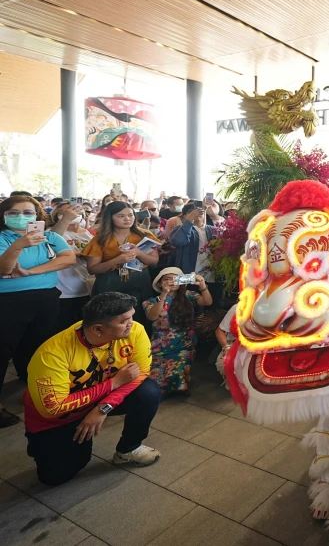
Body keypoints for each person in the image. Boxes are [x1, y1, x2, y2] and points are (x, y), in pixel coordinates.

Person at [23, 292, 161, 486]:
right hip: (58, 416)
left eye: (131, 316)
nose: (132, 323)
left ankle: (129, 448)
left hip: (97, 401)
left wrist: (102, 408)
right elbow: (52, 408)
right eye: (124, 320)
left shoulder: (134, 331)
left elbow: (140, 373)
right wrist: (112, 384)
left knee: (148, 391)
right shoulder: (52, 354)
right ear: (97, 329)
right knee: (55, 476)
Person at [0, 196, 76, 427]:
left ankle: (31, 382)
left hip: (45, 298)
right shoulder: (4, 238)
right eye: (14, 212)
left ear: (37, 215)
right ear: (4, 215)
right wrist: (18, 245)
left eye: (28, 212)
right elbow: (4, 269)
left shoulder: (50, 237)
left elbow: (68, 258)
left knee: (37, 345)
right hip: (8, 300)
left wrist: (31, 272)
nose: (21, 216)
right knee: (2, 349)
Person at [84, 201, 160, 327]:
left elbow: (154, 261)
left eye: (130, 215)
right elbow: (92, 269)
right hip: (110, 281)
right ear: (110, 217)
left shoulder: (144, 235)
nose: (127, 219)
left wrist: (138, 253)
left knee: (139, 317)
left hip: (139, 279)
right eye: (121, 216)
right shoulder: (101, 238)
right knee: (109, 319)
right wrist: (116, 260)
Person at [144, 268, 212, 396]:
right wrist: (164, 294)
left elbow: (207, 302)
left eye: (175, 278)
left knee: (175, 372)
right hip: (159, 345)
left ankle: (173, 389)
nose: (171, 281)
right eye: (167, 279)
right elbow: (152, 316)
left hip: (184, 344)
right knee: (152, 375)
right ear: (159, 283)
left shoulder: (188, 295)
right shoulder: (150, 301)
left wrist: (203, 286)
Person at [49, 202, 95, 332]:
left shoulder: (90, 233)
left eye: (76, 211)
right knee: (63, 328)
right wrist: (80, 253)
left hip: (87, 287)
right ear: (58, 216)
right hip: (64, 291)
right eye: (66, 212)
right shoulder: (52, 232)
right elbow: (51, 245)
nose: (72, 214)